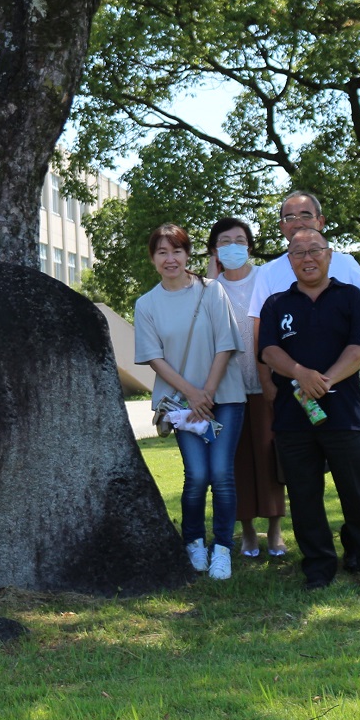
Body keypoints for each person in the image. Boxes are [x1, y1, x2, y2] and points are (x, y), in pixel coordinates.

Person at [258, 228, 360, 595]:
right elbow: (269, 351)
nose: (307, 258)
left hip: (344, 413)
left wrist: (326, 379)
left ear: (329, 255)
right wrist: (300, 373)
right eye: (298, 253)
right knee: (303, 496)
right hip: (292, 416)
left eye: (314, 250)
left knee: (359, 492)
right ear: (290, 261)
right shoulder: (276, 304)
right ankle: (318, 569)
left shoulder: (351, 298)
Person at [134, 223, 247, 580]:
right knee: (197, 475)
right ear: (153, 259)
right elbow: (155, 358)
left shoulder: (211, 291)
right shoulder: (147, 304)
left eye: (177, 251)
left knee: (221, 474)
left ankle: (223, 549)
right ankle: (195, 543)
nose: (171, 259)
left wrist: (208, 392)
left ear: (188, 254)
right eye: (163, 252)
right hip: (182, 406)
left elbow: (226, 344)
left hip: (224, 397)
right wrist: (193, 395)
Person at [245, 190, 360, 406]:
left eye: (305, 215)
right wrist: (266, 381)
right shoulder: (268, 272)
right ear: (282, 226)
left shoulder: (346, 263)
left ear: (320, 221)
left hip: (343, 385)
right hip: (289, 386)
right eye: (289, 218)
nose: (298, 222)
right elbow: (259, 332)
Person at [205, 217, 283, 560]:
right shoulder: (209, 287)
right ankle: (248, 532)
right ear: (215, 250)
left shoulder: (266, 278)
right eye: (225, 241)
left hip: (268, 384)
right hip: (228, 390)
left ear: (249, 245)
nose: (233, 246)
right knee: (236, 462)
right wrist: (210, 276)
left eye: (240, 240)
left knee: (270, 457)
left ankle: (276, 530)